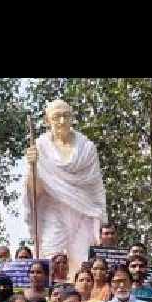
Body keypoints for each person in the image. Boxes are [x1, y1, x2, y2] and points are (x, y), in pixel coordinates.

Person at [24, 99, 107, 274]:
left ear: (72, 118)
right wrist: (32, 166)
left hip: (82, 212)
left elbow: (95, 188)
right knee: (51, 258)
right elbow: (35, 192)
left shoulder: (87, 148)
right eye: (56, 117)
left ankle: (82, 299)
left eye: (66, 116)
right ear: (47, 121)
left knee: (83, 262)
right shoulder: (39, 148)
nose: (62, 121)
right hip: (53, 211)